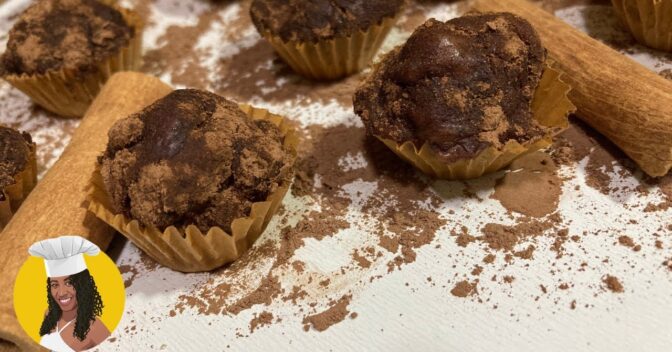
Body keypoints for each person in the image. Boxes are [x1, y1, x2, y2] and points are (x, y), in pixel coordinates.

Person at [29, 236, 110, 352]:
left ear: (83, 285)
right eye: (54, 285)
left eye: (69, 283)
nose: (61, 293)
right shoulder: (49, 315)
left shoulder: (95, 326)